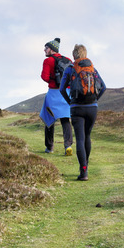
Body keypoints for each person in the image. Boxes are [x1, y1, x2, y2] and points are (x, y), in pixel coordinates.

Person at [60, 44, 106, 181]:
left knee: (80, 138)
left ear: (74, 55)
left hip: (77, 107)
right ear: (85, 54)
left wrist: (70, 102)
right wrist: (95, 100)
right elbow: (103, 87)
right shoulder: (93, 68)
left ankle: (83, 171)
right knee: (87, 136)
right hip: (92, 107)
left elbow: (62, 89)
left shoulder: (69, 69)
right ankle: (86, 165)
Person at [39, 38, 73, 155]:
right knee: (65, 119)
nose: (44, 50)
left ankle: (50, 147)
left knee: (49, 119)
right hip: (66, 93)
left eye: (46, 48)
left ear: (52, 50)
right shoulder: (68, 60)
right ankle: (68, 146)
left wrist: (52, 80)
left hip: (53, 92)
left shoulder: (48, 61)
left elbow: (44, 77)